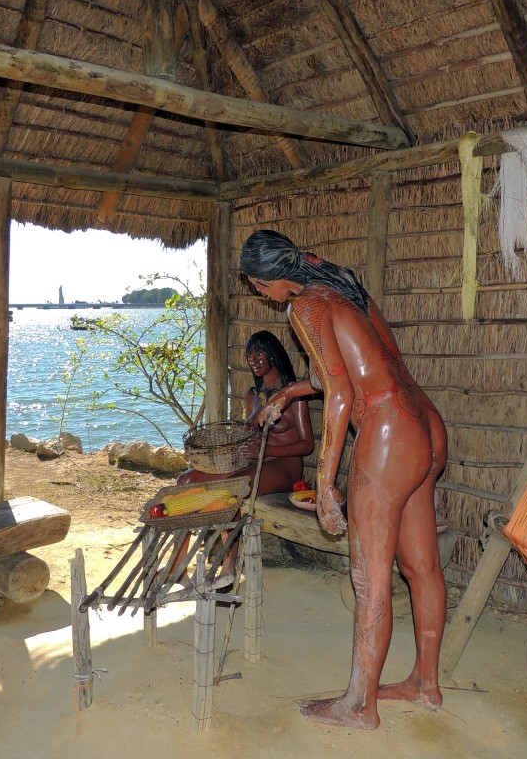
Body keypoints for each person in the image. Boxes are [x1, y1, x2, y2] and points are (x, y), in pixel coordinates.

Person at [239, 229, 448, 730]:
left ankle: (360, 704)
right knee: (422, 566)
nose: (260, 296)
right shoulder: (345, 288)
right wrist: (287, 393)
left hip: (388, 432)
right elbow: (361, 367)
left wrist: (327, 482)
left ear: (271, 278)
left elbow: (337, 392)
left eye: (257, 287)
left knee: (369, 573)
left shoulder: (303, 307)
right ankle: (425, 682)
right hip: (424, 423)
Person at [177, 330, 314, 497]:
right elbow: (247, 435)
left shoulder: (293, 395)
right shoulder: (252, 395)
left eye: (259, 353)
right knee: (186, 480)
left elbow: (308, 445)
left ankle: (228, 523)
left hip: (284, 466)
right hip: (253, 463)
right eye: (249, 355)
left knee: (234, 488)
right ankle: (200, 522)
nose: (253, 359)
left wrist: (268, 450)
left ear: (272, 354)